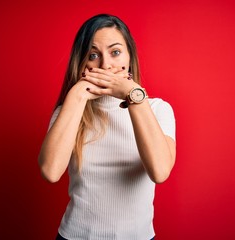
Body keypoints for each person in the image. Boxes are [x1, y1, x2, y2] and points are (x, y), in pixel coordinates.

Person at [38, 14, 176, 240]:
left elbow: (160, 171)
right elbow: (50, 172)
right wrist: (76, 96)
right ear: (82, 63)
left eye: (115, 52)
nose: (105, 65)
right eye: (93, 55)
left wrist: (133, 94)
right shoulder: (70, 110)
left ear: (129, 57)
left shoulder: (158, 110)